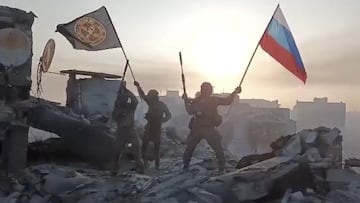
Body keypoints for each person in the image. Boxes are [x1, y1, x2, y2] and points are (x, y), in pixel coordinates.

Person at [182, 82, 241, 172]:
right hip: (207, 129)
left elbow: (189, 111)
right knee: (218, 150)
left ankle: (185, 167)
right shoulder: (213, 100)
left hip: (198, 129)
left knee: (189, 149)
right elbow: (227, 101)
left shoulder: (197, 101)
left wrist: (186, 101)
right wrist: (235, 92)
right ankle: (221, 168)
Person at [134, 81, 171, 169]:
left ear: (154, 96)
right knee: (145, 146)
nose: (150, 98)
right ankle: (145, 163)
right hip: (150, 127)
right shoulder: (152, 103)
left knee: (155, 147)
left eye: (151, 96)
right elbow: (143, 95)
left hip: (155, 128)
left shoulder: (160, 105)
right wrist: (138, 87)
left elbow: (169, 115)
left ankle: (156, 164)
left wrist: (161, 120)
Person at [110, 81, 145, 175]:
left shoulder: (130, 107)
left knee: (137, 152)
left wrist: (128, 92)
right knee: (116, 153)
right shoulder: (117, 108)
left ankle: (141, 170)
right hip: (121, 132)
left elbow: (135, 101)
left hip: (130, 130)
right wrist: (118, 114)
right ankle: (114, 171)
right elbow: (113, 118)